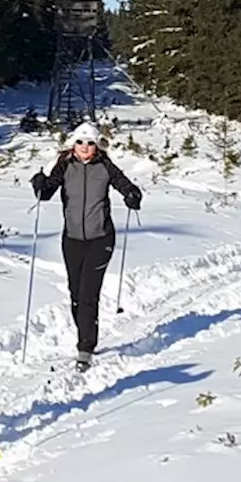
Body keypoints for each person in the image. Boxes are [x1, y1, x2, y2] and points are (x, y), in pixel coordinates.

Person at [30, 121, 142, 371]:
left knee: (88, 294)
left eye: (90, 143)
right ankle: (85, 336)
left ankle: (85, 348)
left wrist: (133, 194)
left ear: (97, 145)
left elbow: (124, 184)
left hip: (100, 238)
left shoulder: (105, 166)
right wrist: (39, 183)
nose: (85, 147)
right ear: (73, 144)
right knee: (75, 293)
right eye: (80, 142)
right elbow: (47, 191)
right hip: (71, 239)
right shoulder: (65, 165)